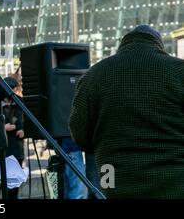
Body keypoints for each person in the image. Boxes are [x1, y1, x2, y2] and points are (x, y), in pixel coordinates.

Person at [70, 25, 184, 198]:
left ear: (122, 45)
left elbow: (80, 135)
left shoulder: (93, 76)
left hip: (114, 183)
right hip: (174, 184)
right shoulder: (179, 71)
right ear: (158, 45)